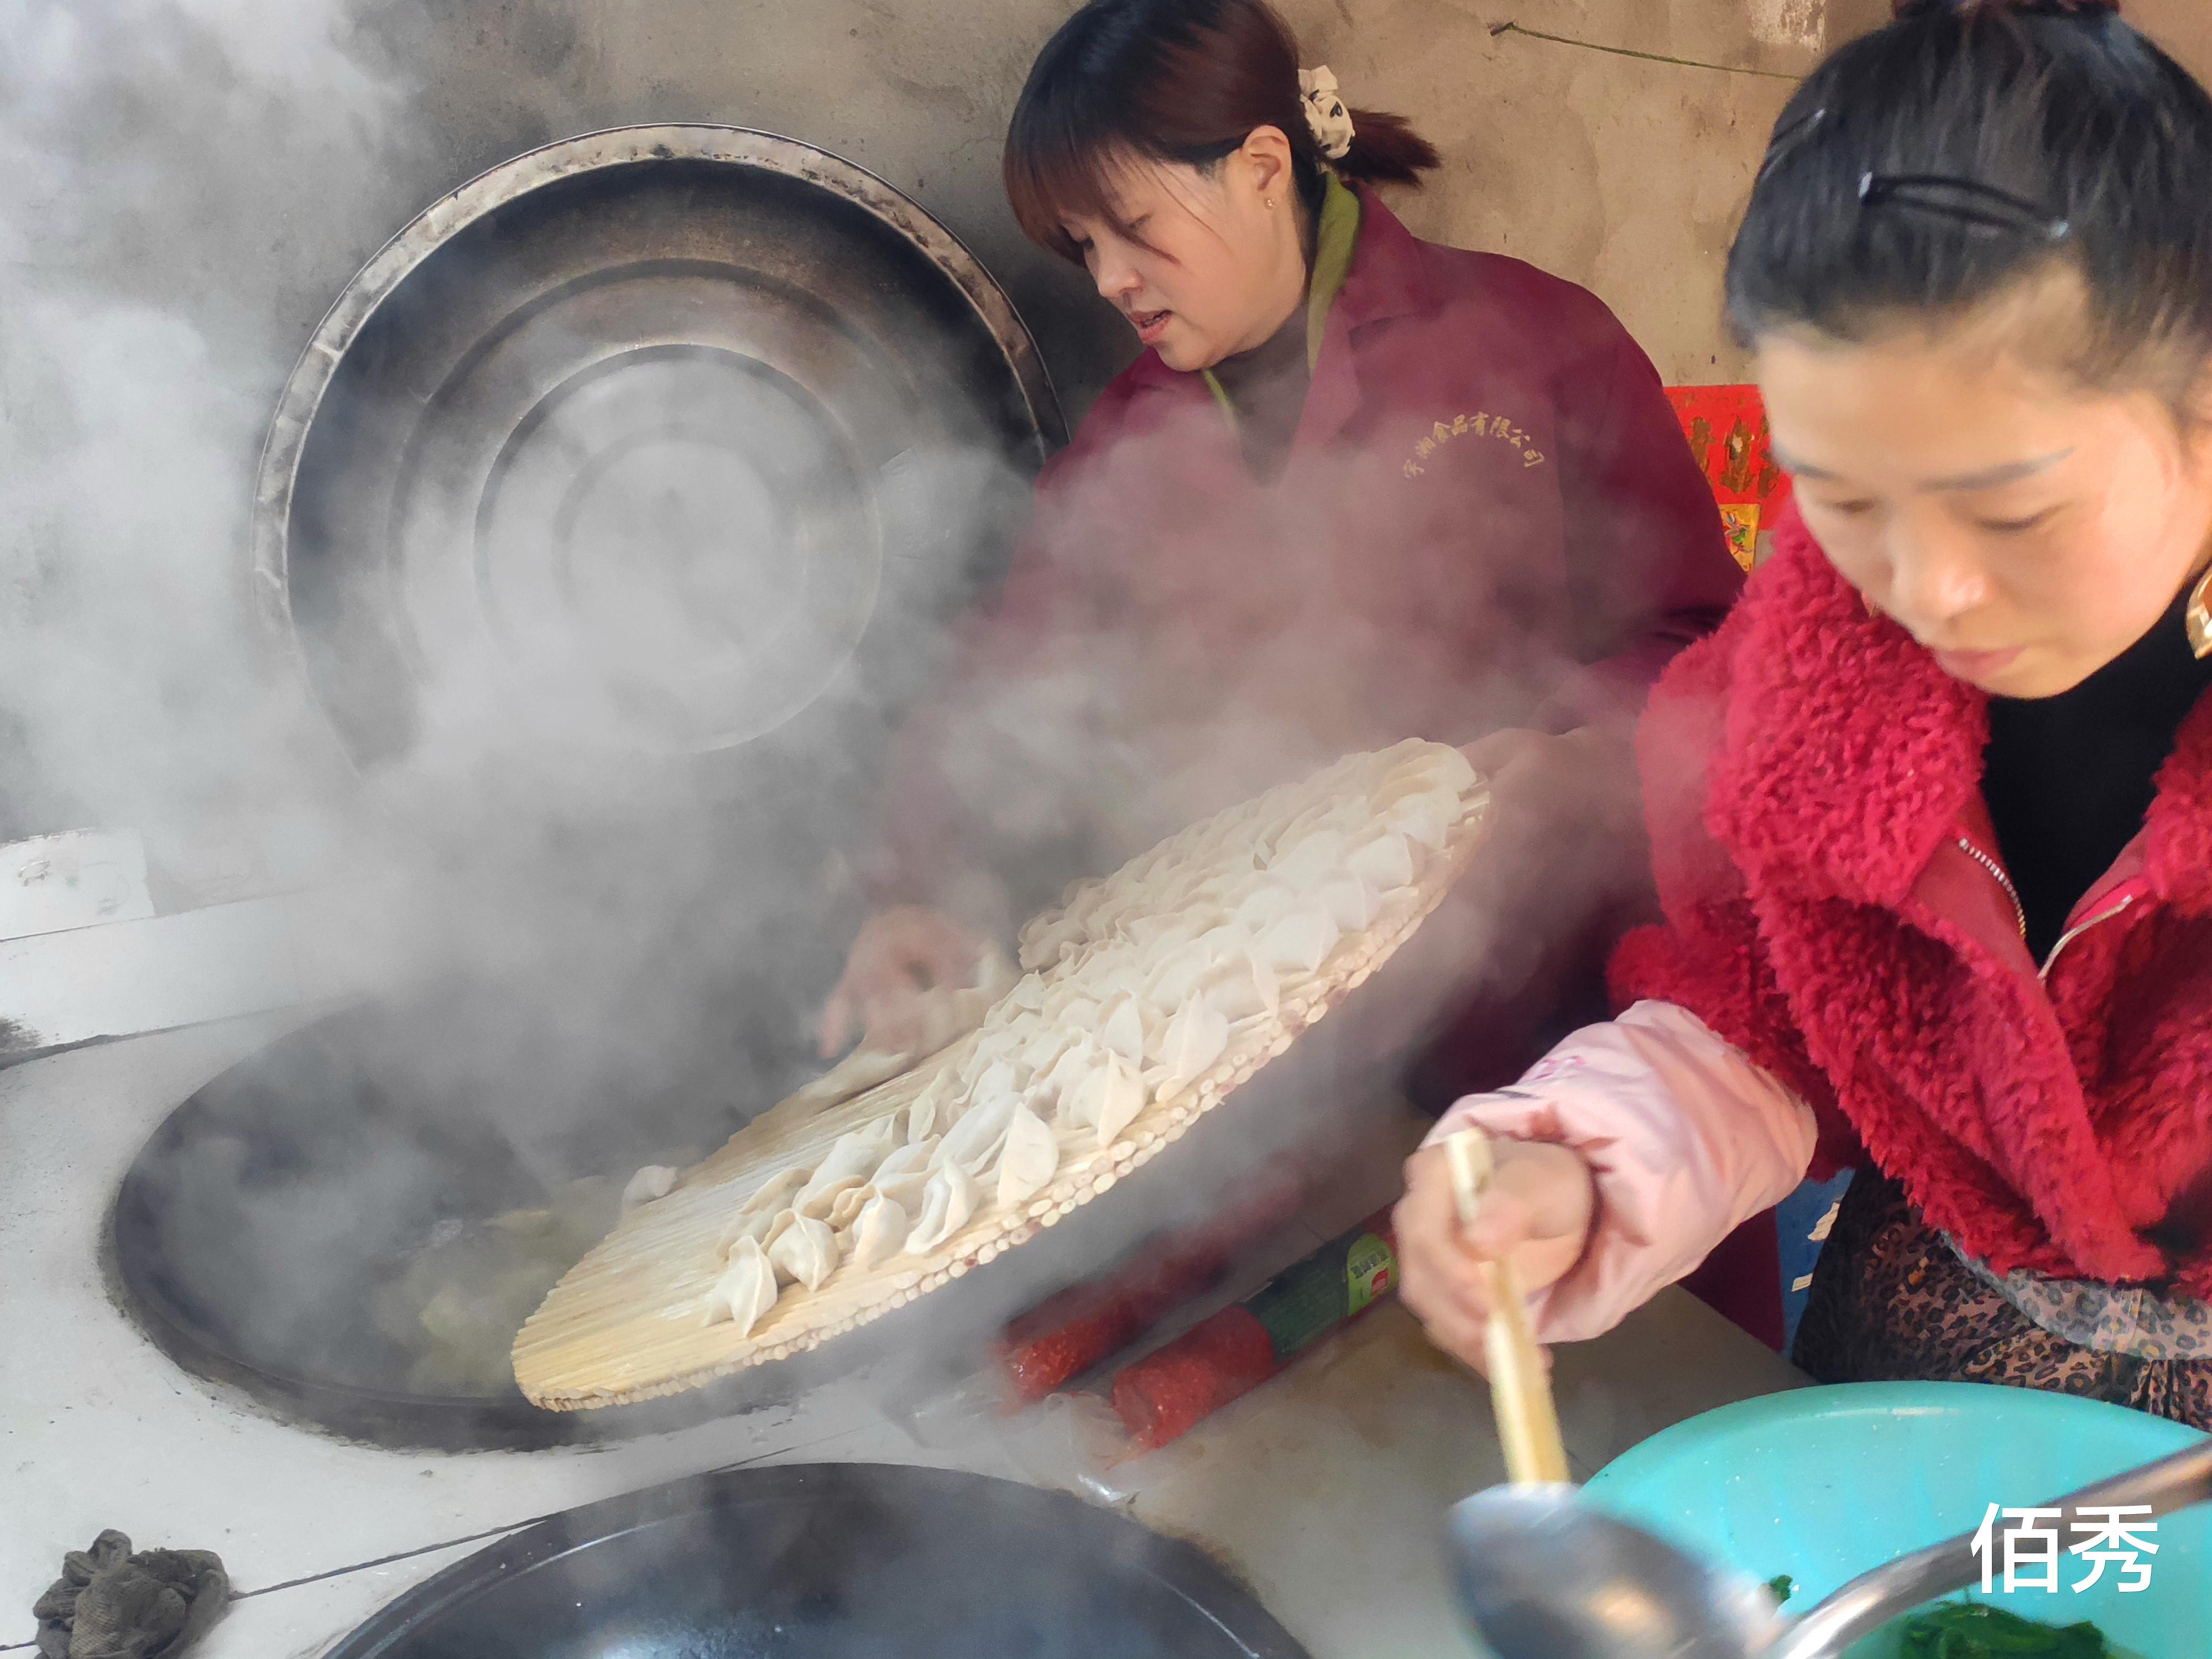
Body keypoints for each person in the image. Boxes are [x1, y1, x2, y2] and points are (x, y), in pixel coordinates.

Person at [1397, 0, 2212, 1425]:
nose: (1930, 591)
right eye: (1842, 498)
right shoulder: (1803, 687)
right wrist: (1584, 1164)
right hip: (1907, 1347)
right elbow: (1773, 1007)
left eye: (2011, 507)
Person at [818, 0, 1741, 1076]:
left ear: (1260, 167)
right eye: (1084, 246)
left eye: (1133, 227)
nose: (1110, 279)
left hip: (1556, 1023)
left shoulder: (1538, 343)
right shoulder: (1122, 452)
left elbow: (1706, 643)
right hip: (1273, 1054)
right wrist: (915, 890)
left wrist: (1573, 762)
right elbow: (1002, 690)